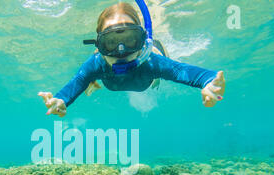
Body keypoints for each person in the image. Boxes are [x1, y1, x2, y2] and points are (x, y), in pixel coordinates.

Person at [38, 1, 225, 118]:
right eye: (111, 42)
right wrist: (60, 100)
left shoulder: (151, 63)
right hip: (108, 77)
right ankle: (93, 82)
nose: (121, 52)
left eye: (130, 40)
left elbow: (184, 71)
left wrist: (210, 83)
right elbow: (77, 81)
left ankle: (151, 54)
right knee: (88, 79)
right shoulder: (96, 63)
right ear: (99, 45)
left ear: (142, 41)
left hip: (149, 76)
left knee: (163, 61)